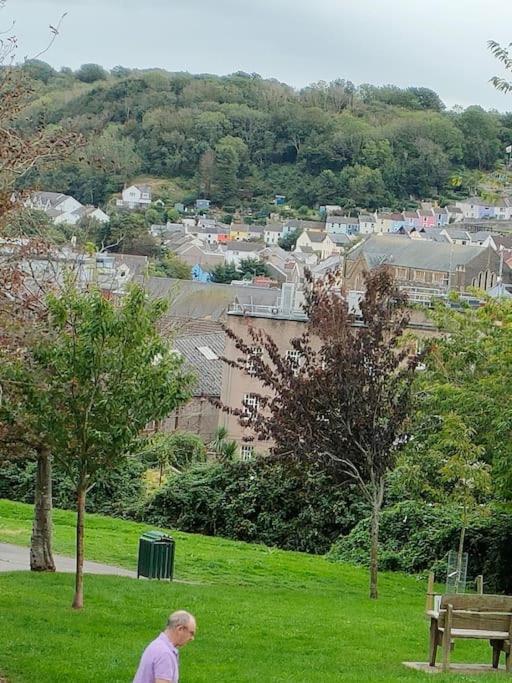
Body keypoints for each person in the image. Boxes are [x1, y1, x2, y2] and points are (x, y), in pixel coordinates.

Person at [133, 610, 196, 683]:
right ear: (180, 629)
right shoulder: (164, 654)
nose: (192, 638)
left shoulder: (157, 645)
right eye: (191, 633)